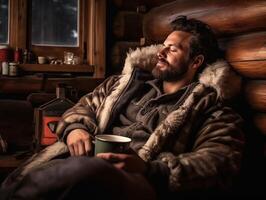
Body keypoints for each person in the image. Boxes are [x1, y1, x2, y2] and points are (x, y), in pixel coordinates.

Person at [1, 16, 245, 199]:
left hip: (138, 180)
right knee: (18, 180)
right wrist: (76, 128)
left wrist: (151, 169)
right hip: (83, 162)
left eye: (172, 49)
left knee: (85, 172)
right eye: (163, 45)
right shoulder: (125, 85)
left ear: (196, 62)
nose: (160, 52)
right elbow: (84, 106)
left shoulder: (211, 109)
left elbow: (219, 162)